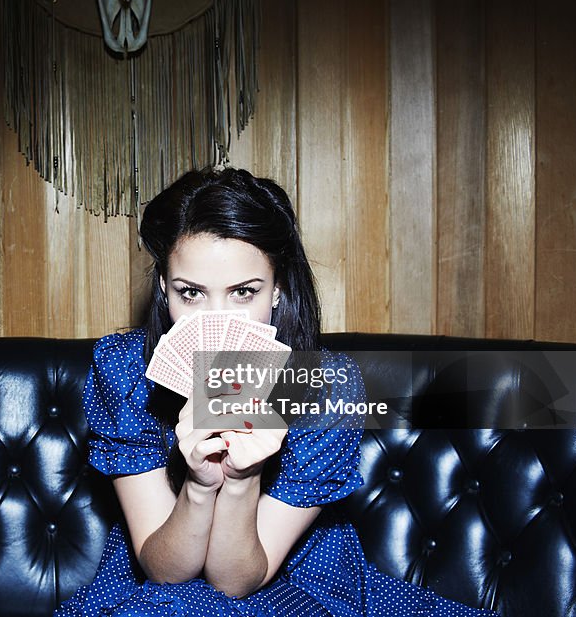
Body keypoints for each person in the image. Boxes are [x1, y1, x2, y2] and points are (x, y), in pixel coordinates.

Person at [54, 167, 497, 616]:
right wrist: (200, 486)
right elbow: (165, 573)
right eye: (191, 294)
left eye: (243, 292)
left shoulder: (324, 387)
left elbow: (235, 580)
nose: (217, 325)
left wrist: (243, 480)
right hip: (157, 580)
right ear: (165, 289)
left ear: (278, 288)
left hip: (294, 580)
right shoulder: (125, 371)